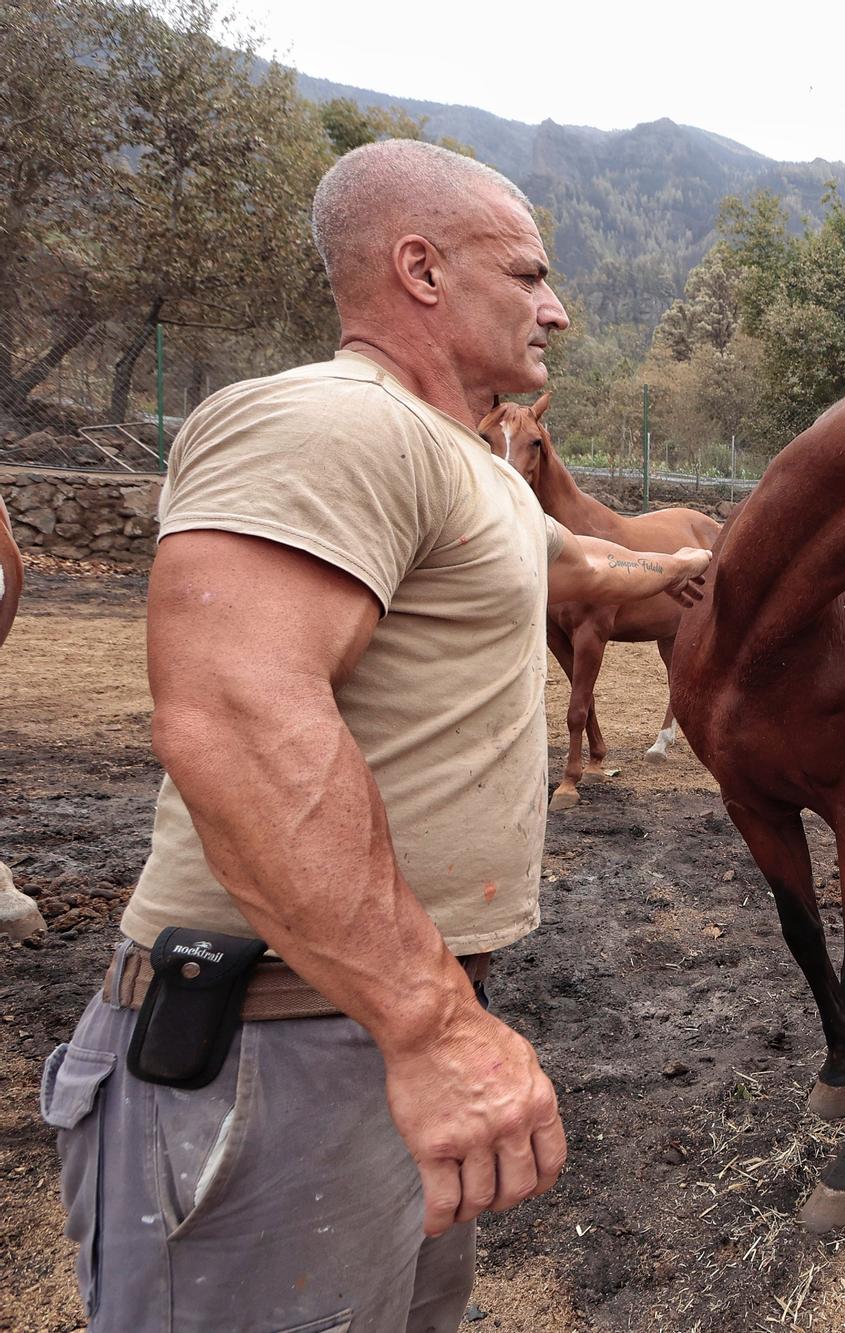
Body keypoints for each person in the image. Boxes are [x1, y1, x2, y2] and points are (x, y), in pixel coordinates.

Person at [39, 139, 711, 1332]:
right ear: (421, 269)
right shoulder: (329, 423)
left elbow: (586, 560)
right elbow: (235, 720)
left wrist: (696, 562)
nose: (555, 308)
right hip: (278, 1039)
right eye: (527, 273)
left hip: (364, 1034)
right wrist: (433, 1022)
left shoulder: (473, 470)